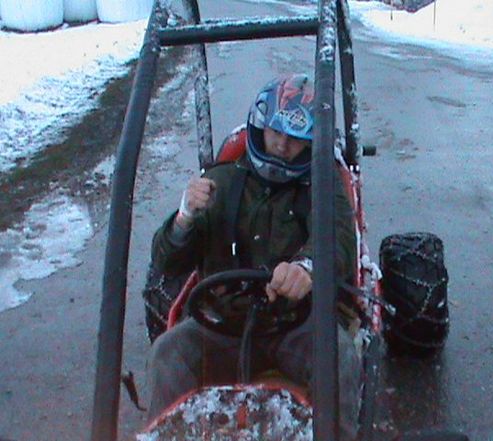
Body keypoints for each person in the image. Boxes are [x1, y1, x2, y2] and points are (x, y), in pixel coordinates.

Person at [146, 73, 360, 438]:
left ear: (311, 142)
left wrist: (306, 267)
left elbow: (338, 237)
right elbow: (167, 264)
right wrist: (183, 219)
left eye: (295, 138)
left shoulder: (320, 185)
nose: (281, 145)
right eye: (275, 133)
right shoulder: (222, 181)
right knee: (168, 353)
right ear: (259, 128)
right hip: (222, 324)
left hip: (294, 325)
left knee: (337, 358)